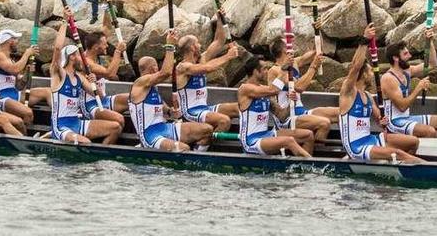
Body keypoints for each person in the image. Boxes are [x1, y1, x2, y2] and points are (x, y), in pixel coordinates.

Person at [338, 24, 423, 163]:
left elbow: (380, 121)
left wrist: (382, 121)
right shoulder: (348, 92)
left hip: (371, 139)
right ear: (363, 73)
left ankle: (398, 167)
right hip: (356, 146)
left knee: (413, 142)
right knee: (398, 153)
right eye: (370, 71)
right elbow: (355, 66)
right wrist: (365, 40)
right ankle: (425, 168)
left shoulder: (368, 97)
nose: (372, 74)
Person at [130, 30, 215, 151]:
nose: (158, 70)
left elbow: (163, 108)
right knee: (184, 148)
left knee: (207, 130)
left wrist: (170, 112)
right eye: (156, 68)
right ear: (154, 68)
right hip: (150, 135)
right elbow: (166, 73)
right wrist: (170, 46)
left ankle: (196, 162)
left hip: (164, 127)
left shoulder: (152, 88)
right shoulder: (140, 83)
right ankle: (191, 164)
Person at [49, 8, 122, 144]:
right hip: (62, 126)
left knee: (115, 127)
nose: (82, 58)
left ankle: (100, 161)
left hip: (77, 123)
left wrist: (94, 83)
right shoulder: (58, 74)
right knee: (86, 142)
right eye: (78, 55)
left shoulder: (79, 78)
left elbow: (99, 95)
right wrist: (65, 21)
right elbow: (58, 49)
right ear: (71, 57)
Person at [175, 11, 240, 143]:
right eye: (198, 43)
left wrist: (220, 20)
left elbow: (219, 40)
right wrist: (228, 56)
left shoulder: (202, 58)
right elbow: (207, 68)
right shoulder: (183, 68)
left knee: (240, 108)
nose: (200, 45)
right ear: (193, 48)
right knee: (224, 120)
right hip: (190, 112)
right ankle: (202, 150)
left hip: (204, 108)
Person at [237, 56, 314, 157]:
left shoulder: (263, 90)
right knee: (289, 141)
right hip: (251, 141)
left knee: (308, 135)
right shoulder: (245, 89)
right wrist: (283, 69)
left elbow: (282, 116)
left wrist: (292, 102)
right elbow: (273, 90)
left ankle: (303, 169)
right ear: (256, 71)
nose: (267, 71)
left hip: (266, 135)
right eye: (264, 68)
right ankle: (314, 165)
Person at [382, 29, 437, 138]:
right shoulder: (388, 78)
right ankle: (419, 144)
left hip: (407, 118)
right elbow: (402, 107)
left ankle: (419, 143)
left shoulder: (407, 71)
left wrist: (429, 42)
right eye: (405, 54)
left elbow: (432, 64)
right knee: (430, 131)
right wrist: (418, 88)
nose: (409, 56)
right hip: (393, 122)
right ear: (396, 58)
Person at [268, 42, 334, 144]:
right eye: (289, 45)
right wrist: (313, 67)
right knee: (324, 123)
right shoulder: (275, 70)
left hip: (300, 111)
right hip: (287, 117)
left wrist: (317, 31)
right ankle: (318, 154)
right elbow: (299, 87)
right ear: (284, 50)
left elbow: (316, 50)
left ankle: (313, 147)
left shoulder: (295, 63)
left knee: (337, 114)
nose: (293, 47)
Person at [79, 12, 129, 127]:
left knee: (134, 99)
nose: (107, 46)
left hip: (103, 99)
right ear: (96, 47)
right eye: (105, 44)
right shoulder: (86, 62)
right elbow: (110, 74)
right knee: (119, 120)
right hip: (90, 104)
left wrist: (107, 8)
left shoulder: (95, 49)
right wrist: (117, 52)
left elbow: (106, 28)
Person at [0, 28, 48, 125]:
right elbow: (14, 69)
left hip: (15, 94)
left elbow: (20, 86)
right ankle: (24, 138)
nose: (17, 42)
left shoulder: (11, 60)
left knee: (46, 92)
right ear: (10, 41)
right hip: (2, 97)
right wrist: (27, 54)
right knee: (28, 113)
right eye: (16, 40)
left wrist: (27, 73)